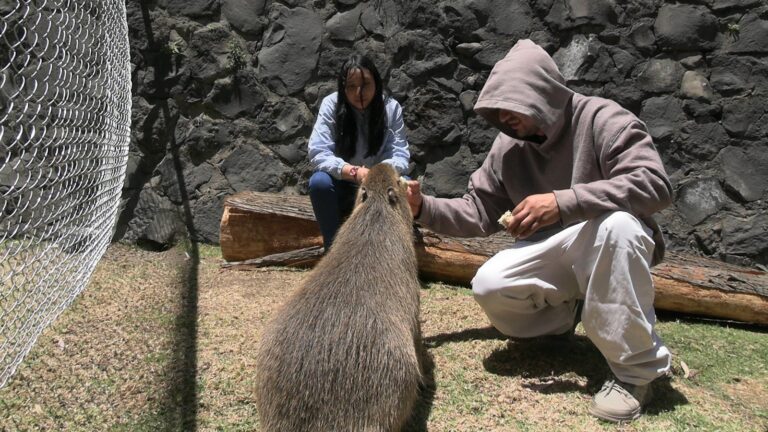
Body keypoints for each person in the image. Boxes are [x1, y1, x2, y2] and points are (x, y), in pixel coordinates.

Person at [406, 40, 673, 423]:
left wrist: (563, 202)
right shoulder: (508, 147)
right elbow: (477, 210)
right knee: (490, 284)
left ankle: (636, 374)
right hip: (552, 250)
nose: (503, 117)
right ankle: (563, 320)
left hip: (608, 239)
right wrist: (422, 207)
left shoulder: (603, 119)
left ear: (540, 93)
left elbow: (654, 185)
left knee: (618, 226)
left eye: (510, 105)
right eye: (497, 109)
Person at [308, 54, 410, 251]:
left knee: (406, 183)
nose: (359, 92)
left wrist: (376, 174)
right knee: (319, 182)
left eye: (365, 84)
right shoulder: (331, 104)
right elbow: (318, 152)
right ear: (343, 87)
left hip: (381, 186)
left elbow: (400, 156)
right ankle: (333, 251)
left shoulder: (391, 108)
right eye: (351, 86)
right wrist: (353, 172)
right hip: (342, 183)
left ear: (376, 83)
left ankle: (395, 250)